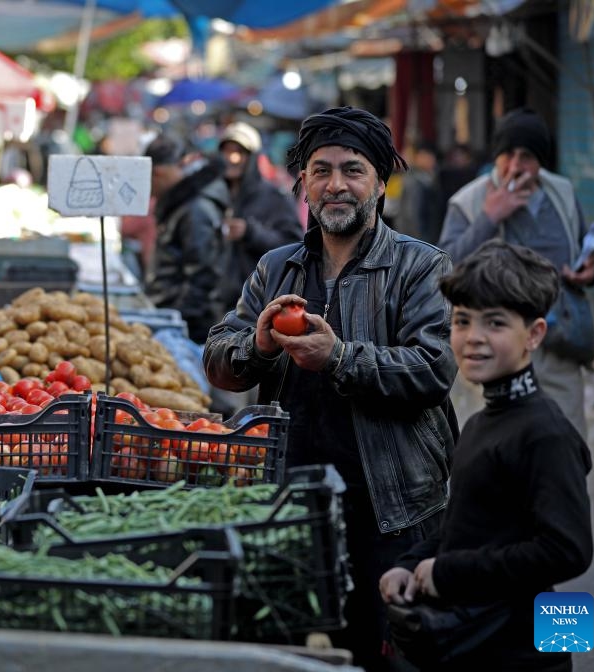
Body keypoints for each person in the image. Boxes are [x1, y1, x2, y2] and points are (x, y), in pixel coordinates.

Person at [203, 107, 458, 671]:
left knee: (389, 651)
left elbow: (433, 369)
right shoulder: (277, 269)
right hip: (294, 498)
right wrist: (260, 347)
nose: (335, 184)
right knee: (292, 645)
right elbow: (219, 359)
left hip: (391, 506)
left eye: (353, 170)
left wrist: (338, 356)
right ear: (302, 184)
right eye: (321, 170)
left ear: (378, 183)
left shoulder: (421, 267)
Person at [380, 240, 592, 671]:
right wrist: (412, 563)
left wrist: (448, 574)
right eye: (462, 321)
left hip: (522, 653)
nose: (474, 338)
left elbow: (568, 551)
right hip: (474, 642)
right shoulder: (480, 421)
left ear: (533, 334)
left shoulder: (545, 432)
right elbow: (469, 527)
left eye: (495, 323)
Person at [438, 107, 594, 437]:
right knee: (499, 452)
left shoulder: (562, 195)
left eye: (526, 156)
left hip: (558, 350)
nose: (515, 166)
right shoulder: (467, 203)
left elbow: (585, 253)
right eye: (507, 155)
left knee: (565, 445)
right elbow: (444, 269)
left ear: (541, 161)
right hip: (494, 350)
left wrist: (590, 272)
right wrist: (490, 217)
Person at [144, 132, 228, 344]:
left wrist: (178, 321)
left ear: (158, 173)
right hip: (170, 316)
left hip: (186, 327)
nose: (149, 189)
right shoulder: (180, 203)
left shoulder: (195, 210)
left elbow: (203, 275)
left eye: (148, 179)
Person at [216, 122, 303, 311]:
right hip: (216, 301)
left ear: (252, 157)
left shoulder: (274, 197)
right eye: (226, 152)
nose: (231, 159)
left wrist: (250, 232)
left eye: (238, 152)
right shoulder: (216, 194)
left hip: (256, 303)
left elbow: (294, 246)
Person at [395, 139, 443, 244]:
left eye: (431, 156)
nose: (430, 160)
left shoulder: (429, 179)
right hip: (417, 241)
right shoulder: (414, 181)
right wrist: (421, 246)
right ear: (417, 157)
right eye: (426, 156)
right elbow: (412, 216)